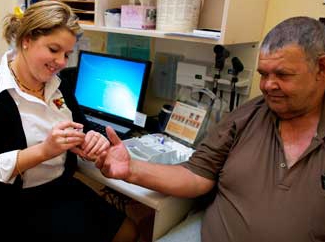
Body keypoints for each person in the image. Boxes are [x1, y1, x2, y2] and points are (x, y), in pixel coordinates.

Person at [91, 16, 325, 242]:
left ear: (321, 68)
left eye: (283, 75)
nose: (267, 86)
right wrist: (130, 169)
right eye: (263, 74)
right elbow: (196, 174)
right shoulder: (246, 117)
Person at [0, 0, 138, 242]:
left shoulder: (58, 84)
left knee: (129, 231)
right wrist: (44, 150)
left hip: (61, 188)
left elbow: (81, 126)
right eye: (54, 50)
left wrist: (92, 139)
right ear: (27, 40)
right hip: (17, 204)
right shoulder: (2, 93)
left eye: (67, 54)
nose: (62, 62)